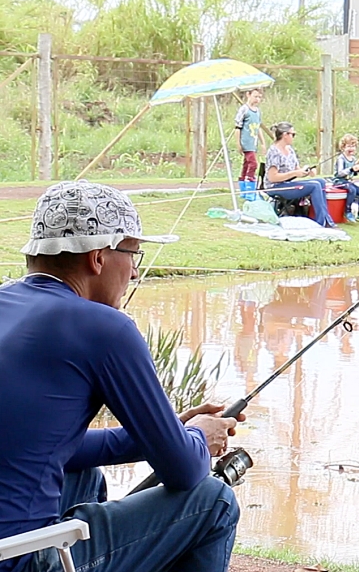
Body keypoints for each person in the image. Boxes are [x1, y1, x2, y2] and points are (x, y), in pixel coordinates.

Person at [0, 180, 242, 572]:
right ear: (98, 257)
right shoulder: (105, 327)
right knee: (213, 500)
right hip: (18, 559)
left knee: (83, 476)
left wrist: (166, 432)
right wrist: (199, 437)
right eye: (133, 254)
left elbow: (44, 447)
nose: (133, 272)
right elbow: (183, 471)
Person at [264, 122, 336, 228]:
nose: (293, 137)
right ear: (285, 135)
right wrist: (294, 173)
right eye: (292, 134)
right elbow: (272, 177)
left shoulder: (290, 150)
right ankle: (322, 221)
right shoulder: (274, 152)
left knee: (321, 182)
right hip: (276, 187)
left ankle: (325, 218)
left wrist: (306, 171)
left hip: (288, 183)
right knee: (315, 186)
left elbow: (296, 169)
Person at [331, 134, 359, 223]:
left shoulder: (353, 159)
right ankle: (347, 212)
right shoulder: (341, 158)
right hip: (339, 181)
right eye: (349, 146)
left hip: (348, 181)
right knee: (352, 190)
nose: (351, 148)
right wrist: (351, 169)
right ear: (343, 147)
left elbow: (353, 174)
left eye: (353, 146)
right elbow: (340, 173)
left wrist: (358, 170)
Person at [233, 89, 263, 201]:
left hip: (253, 142)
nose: (257, 100)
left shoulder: (257, 111)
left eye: (259, 97)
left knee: (246, 165)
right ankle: (250, 189)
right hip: (246, 143)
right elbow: (237, 127)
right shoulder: (244, 110)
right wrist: (238, 143)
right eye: (255, 96)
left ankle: (244, 190)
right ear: (248, 95)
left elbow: (258, 127)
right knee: (253, 164)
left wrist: (262, 142)